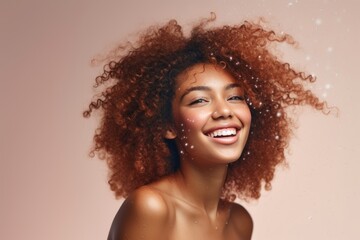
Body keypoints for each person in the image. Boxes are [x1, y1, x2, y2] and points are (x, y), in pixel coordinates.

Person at [84, 14, 327, 240]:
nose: (224, 111)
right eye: (199, 100)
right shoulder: (151, 207)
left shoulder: (239, 223)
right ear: (167, 125)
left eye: (235, 97)